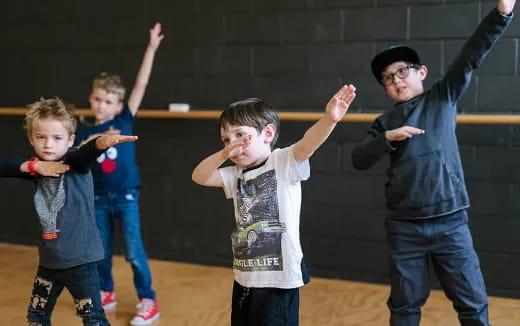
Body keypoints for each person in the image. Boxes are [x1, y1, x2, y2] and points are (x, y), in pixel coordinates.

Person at [351, 1, 515, 325]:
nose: (396, 80)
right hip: (404, 228)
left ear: (420, 72)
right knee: (404, 307)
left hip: (450, 223)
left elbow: (471, 54)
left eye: (402, 71)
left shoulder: (443, 96)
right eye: (387, 78)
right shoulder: (384, 122)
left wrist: (502, 14)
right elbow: (358, 158)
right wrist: (388, 137)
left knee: (472, 304)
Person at [192, 84, 356, 325]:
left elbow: (308, 143)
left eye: (240, 135)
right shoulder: (235, 174)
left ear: (267, 133)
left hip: (278, 282)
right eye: (226, 139)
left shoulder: (283, 161)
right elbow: (200, 176)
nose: (233, 144)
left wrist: (329, 120)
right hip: (245, 279)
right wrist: (223, 154)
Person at [0, 97, 138, 326]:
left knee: (93, 318)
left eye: (57, 138)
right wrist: (33, 166)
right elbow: (6, 166)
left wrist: (101, 143)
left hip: (80, 263)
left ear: (70, 139)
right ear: (31, 138)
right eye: (41, 137)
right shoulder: (38, 167)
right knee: (37, 316)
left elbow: (85, 154)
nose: (48, 145)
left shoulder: (74, 161)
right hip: (49, 263)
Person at [74, 23, 164, 326]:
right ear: (91, 98)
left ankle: (148, 300)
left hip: (126, 197)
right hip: (97, 199)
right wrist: (93, 141)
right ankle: (106, 291)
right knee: (99, 252)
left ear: (119, 105)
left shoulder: (124, 120)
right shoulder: (84, 133)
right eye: (98, 99)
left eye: (109, 101)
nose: (102, 106)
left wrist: (151, 49)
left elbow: (140, 86)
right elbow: (76, 157)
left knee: (134, 252)